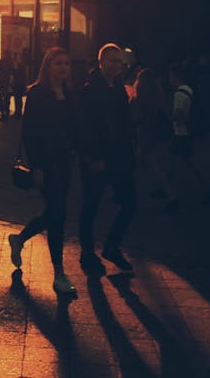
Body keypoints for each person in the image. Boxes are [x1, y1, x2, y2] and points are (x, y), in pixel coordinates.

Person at [7, 47, 80, 297]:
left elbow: (73, 128)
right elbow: (30, 132)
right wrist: (36, 165)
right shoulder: (38, 93)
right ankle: (59, 273)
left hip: (64, 161)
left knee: (54, 212)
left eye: (67, 64)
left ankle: (20, 240)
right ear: (48, 66)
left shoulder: (69, 93)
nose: (63, 68)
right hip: (46, 162)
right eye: (58, 63)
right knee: (58, 213)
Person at [78, 44, 137, 275]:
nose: (116, 65)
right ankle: (87, 251)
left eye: (118, 61)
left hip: (119, 156)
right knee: (90, 205)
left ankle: (112, 245)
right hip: (99, 157)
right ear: (101, 63)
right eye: (111, 61)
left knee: (130, 202)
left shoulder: (119, 90)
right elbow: (85, 126)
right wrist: (92, 157)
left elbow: (123, 124)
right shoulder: (90, 90)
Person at [167, 62, 210, 207]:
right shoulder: (189, 90)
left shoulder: (178, 94)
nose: (169, 78)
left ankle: (206, 189)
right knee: (178, 161)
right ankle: (168, 187)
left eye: (171, 76)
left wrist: (169, 119)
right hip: (186, 132)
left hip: (180, 133)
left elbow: (179, 115)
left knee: (185, 162)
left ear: (175, 77)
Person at [132, 67, 176, 209]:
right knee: (143, 163)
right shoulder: (157, 95)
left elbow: (136, 117)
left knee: (152, 166)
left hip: (144, 134)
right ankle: (159, 189)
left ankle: (170, 194)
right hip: (154, 134)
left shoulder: (140, 97)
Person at [0, 51, 14, 118]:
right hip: (5, 82)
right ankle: (5, 113)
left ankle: (3, 113)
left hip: (2, 82)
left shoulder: (2, 61)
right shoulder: (8, 62)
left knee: (2, 98)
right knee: (6, 98)